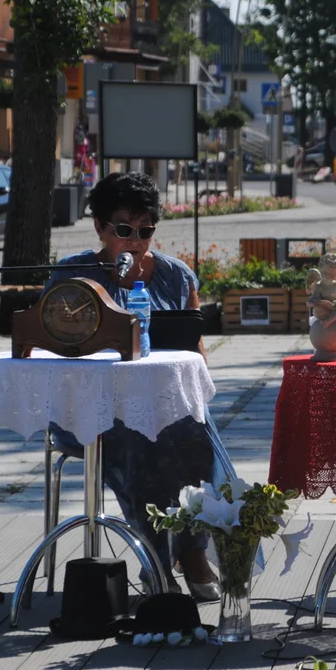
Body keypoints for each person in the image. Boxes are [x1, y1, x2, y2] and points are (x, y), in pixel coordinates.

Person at [44, 171, 239, 602]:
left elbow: (197, 356)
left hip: (164, 404)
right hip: (92, 409)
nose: (135, 240)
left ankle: (189, 551)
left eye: (146, 230)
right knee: (142, 438)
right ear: (99, 227)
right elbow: (51, 349)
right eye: (124, 229)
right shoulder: (72, 275)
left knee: (194, 434)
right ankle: (158, 558)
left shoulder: (177, 277)